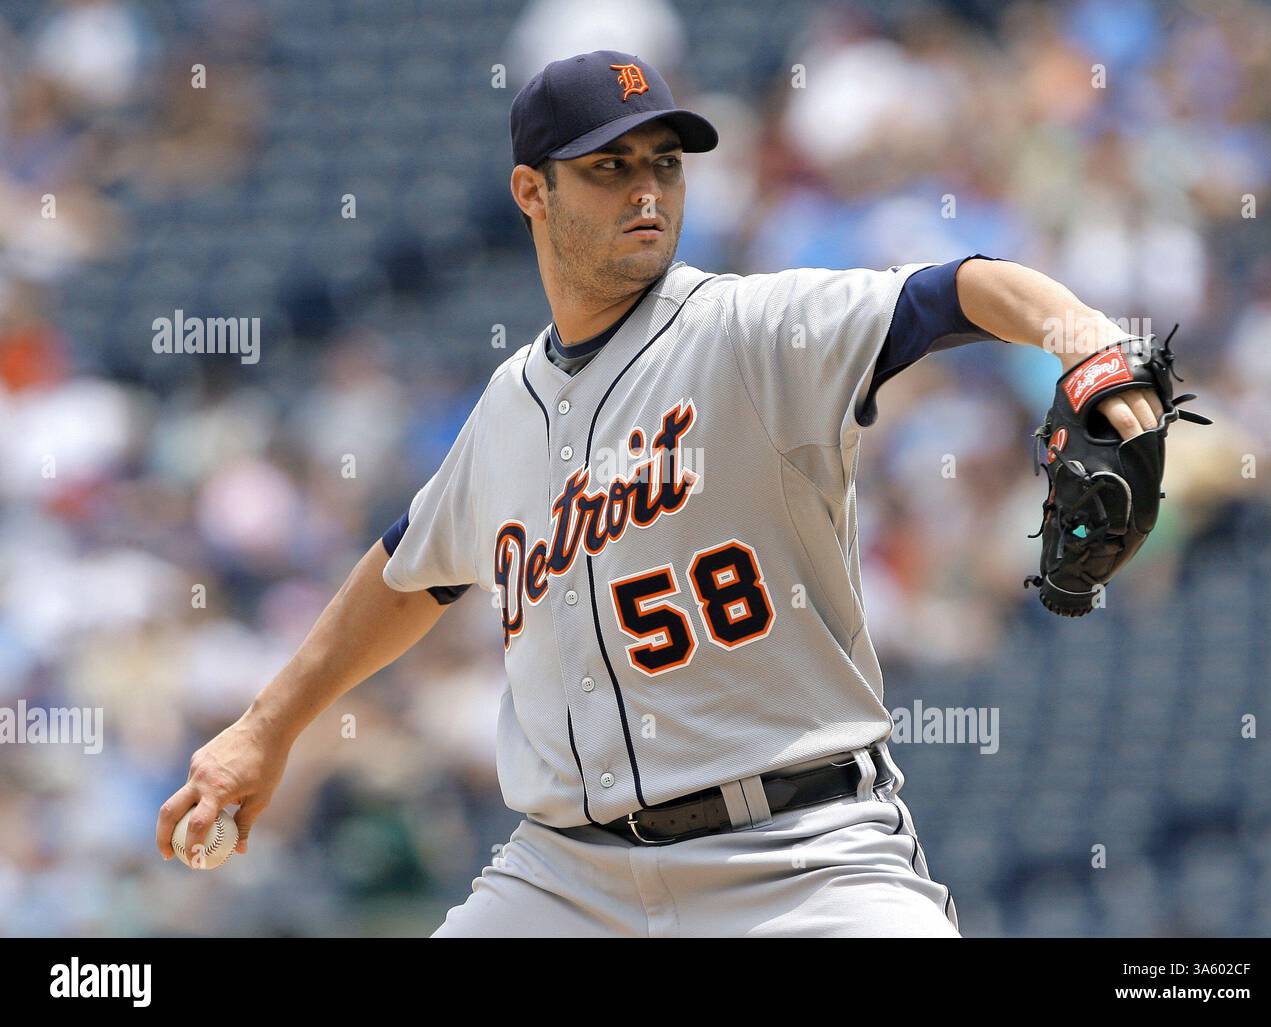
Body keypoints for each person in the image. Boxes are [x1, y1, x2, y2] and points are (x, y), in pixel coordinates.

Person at [157, 50, 1168, 937]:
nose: (646, 190)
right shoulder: (511, 404)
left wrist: (1085, 342)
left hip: (801, 854)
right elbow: (408, 571)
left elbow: (959, 288)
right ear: (530, 191)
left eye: (664, 164)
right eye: (609, 167)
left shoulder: (751, 329)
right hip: (566, 877)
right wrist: (264, 729)